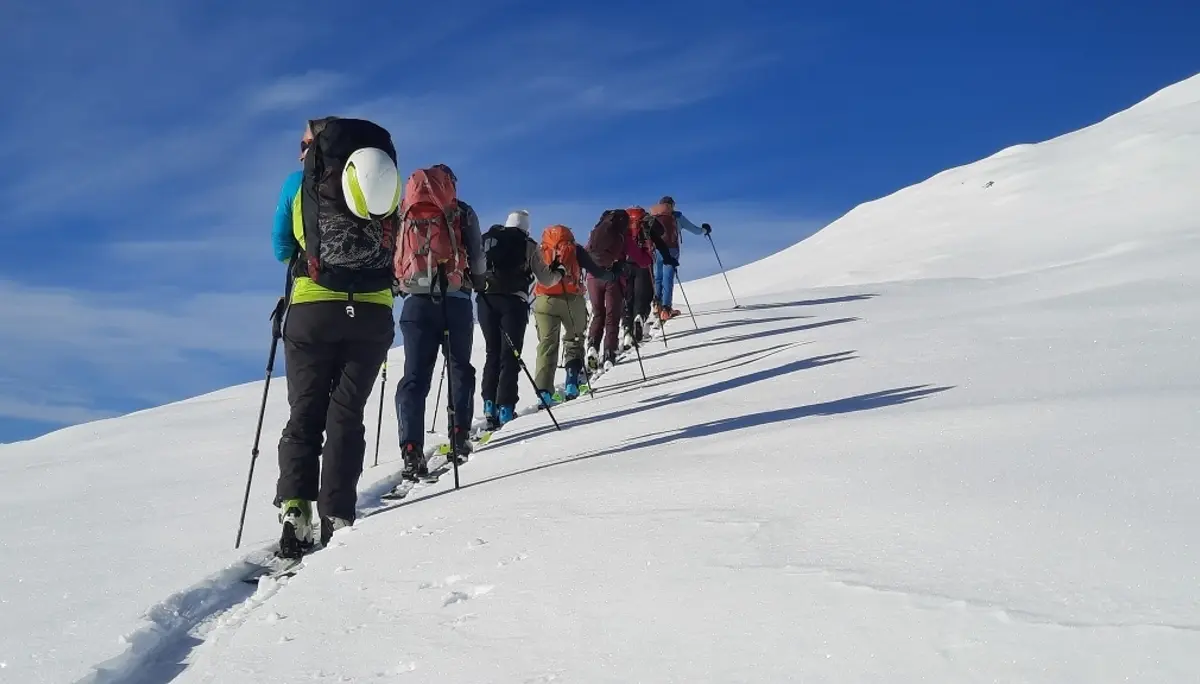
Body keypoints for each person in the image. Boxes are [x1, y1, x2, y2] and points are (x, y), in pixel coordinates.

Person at [272, 116, 402, 558]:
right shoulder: (385, 180)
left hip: (313, 309)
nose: (299, 151)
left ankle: (295, 509)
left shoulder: (297, 183)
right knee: (346, 413)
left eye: (303, 143)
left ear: (316, 145)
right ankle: (338, 514)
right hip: (372, 311)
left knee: (305, 411)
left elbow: (280, 248)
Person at [392, 163, 486, 481]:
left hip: (416, 303)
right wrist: (480, 282)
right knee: (460, 368)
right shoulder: (461, 211)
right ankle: (459, 434)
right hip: (456, 299)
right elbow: (476, 252)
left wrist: (397, 284)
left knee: (414, 377)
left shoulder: (403, 210)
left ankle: (410, 449)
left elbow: (393, 250)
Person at [477, 209, 565, 430]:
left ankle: (489, 405)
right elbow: (545, 277)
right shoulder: (527, 244)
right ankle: (506, 407)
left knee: (492, 353)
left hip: (486, 301)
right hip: (513, 302)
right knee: (511, 355)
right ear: (526, 226)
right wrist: (559, 272)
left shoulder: (489, 239)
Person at [532, 223, 621, 403]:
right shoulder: (575, 249)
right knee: (574, 339)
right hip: (572, 299)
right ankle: (572, 382)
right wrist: (613, 275)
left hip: (544, 301)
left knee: (546, 345)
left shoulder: (539, 250)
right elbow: (596, 271)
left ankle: (544, 394)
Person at [584, 209, 633, 371]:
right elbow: (623, 256)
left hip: (592, 278)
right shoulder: (619, 235)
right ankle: (609, 353)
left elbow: (586, 254)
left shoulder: (595, 232)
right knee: (612, 316)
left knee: (598, 313)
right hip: (611, 278)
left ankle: (592, 346)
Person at [648, 195, 710, 321]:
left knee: (657, 276)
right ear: (671, 205)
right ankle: (666, 309)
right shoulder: (677, 217)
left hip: (656, 250)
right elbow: (695, 230)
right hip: (671, 250)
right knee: (668, 278)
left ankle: (656, 304)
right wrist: (705, 230)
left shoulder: (652, 217)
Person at [622, 206, 675, 348]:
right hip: (644, 265)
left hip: (624, 266)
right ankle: (640, 316)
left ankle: (627, 330)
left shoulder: (624, 228)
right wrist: (669, 259)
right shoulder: (646, 227)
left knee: (628, 299)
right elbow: (661, 240)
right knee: (644, 296)